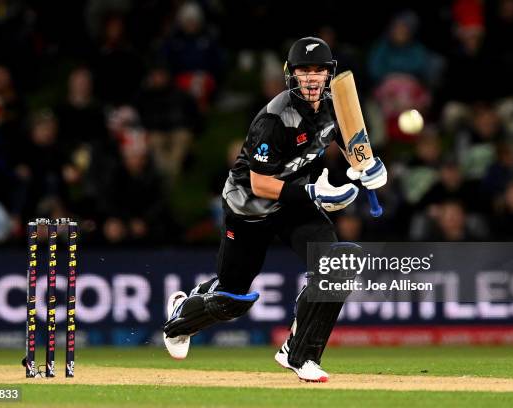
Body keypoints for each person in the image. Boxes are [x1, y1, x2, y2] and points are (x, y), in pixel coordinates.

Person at [162, 37, 387, 382]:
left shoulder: (334, 105)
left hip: (293, 204)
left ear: (329, 75)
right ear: (291, 75)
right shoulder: (275, 118)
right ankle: (180, 317)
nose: (312, 78)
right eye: (304, 70)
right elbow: (259, 184)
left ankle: (300, 354)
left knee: (339, 264)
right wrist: (313, 193)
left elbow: (349, 140)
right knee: (231, 299)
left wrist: (368, 166)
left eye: (319, 71)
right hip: (250, 208)